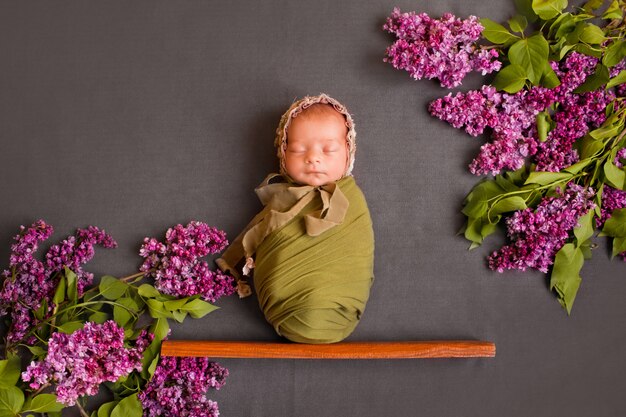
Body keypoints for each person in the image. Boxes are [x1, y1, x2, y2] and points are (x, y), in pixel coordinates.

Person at [216, 93, 375, 344]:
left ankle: (327, 299)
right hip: (280, 307)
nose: (313, 157)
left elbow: (357, 254)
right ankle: (287, 295)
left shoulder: (352, 202)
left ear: (348, 151)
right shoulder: (281, 201)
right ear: (282, 151)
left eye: (329, 149)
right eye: (298, 149)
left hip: (340, 310)